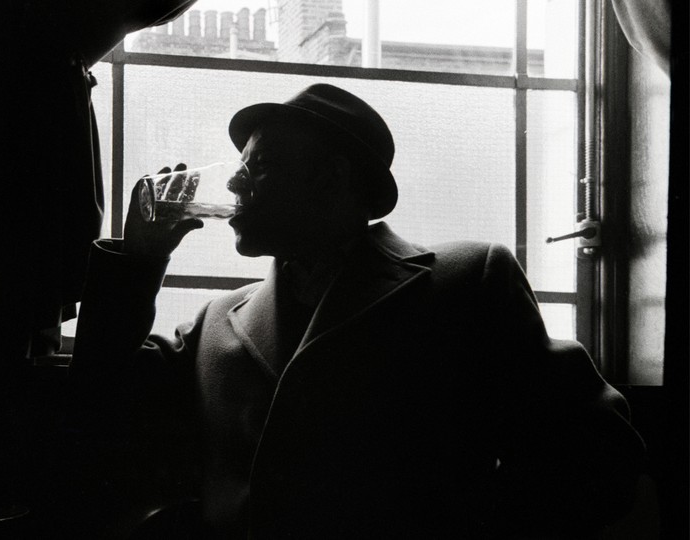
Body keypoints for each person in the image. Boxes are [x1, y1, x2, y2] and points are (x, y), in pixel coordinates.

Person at [69, 84, 644, 538]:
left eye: (261, 163)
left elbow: (596, 458)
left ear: (332, 176)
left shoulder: (466, 280)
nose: (236, 181)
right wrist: (136, 261)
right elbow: (100, 401)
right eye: (239, 165)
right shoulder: (216, 321)